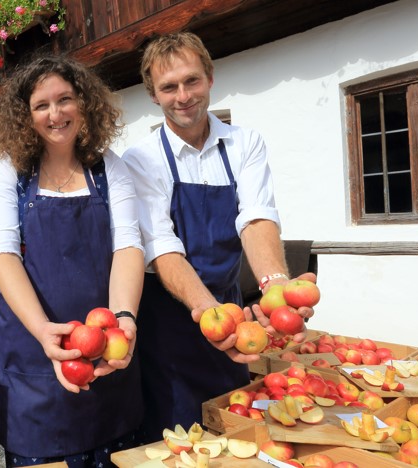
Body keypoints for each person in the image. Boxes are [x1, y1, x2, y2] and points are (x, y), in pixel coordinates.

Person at [121, 32, 317, 442]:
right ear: (153, 96)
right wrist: (209, 313)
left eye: (191, 81)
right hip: (168, 324)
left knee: (231, 427)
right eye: (168, 87)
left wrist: (275, 287)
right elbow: (160, 244)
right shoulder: (141, 158)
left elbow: (256, 218)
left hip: (229, 310)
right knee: (172, 437)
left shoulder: (245, 143)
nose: (183, 96)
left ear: (210, 78)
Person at [0, 54, 145, 467]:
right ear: (25, 114)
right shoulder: (8, 173)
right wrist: (42, 331)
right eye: (41, 105)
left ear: (84, 103)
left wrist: (124, 316)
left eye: (65, 99)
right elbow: (3, 256)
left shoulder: (110, 169)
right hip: (31, 355)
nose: (55, 114)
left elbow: (128, 244)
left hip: (106, 352)